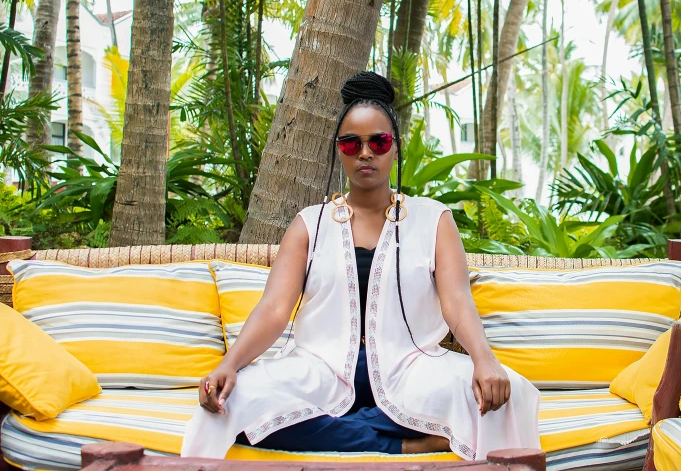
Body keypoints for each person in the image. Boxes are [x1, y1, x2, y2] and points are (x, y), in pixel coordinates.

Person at [181, 72, 540, 459]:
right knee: (230, 405)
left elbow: (456, 302)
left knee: (509, 395)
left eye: (379, 142)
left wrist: (485, 361)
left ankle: (345, 429)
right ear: (339, 151)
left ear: (396, 148)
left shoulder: (433, 219)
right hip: (322, 366)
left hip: (411, 366)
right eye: (352, 143)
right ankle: (399, 442)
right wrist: (230, 365)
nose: (365, 153)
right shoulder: (309, 224)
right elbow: (273, 309)